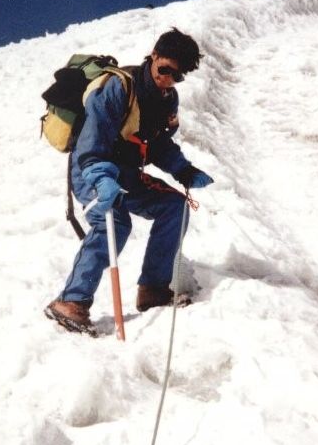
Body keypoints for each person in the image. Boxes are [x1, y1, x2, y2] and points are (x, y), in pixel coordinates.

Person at [45, 28, 213, 335]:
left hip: (126, 172)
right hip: (91, 167)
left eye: (177, 76)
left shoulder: (167, 99)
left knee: (175, 207)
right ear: (153, 55)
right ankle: (71, 301)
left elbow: (158, 144)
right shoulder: (117, 87)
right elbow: (91, 140)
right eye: (165, 70)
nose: (169, 79)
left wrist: (183, 170)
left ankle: (152, 289)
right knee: (115, 222)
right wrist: (100, 175)